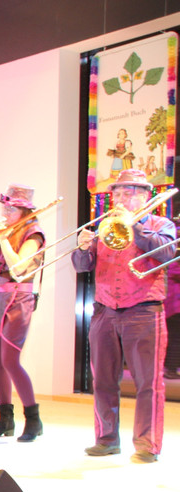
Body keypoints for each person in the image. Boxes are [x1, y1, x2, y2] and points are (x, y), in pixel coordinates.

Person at [72, 169, 177, 463]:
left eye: (127, 194)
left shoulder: (161, 224)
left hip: (144, 310)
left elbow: (167, 253)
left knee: (148, 382)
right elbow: (82, 266)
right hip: (105, 311)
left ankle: (147, 445)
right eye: (116, 194)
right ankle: (106, 440)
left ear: (144, 197)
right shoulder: (105, 226)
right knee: (103, 380)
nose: (119, 199)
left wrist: (135, 226)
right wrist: (82, 247)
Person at [0, 184, 46, 442]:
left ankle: (33, 419)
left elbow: (18, 267)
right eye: (4, 207)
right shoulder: (10, 232)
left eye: (10, 209)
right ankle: (6, 419)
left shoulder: (33, 234)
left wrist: (3, 239)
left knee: (10, 360)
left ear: (24, 211)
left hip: (19, 299)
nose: (5, 213)